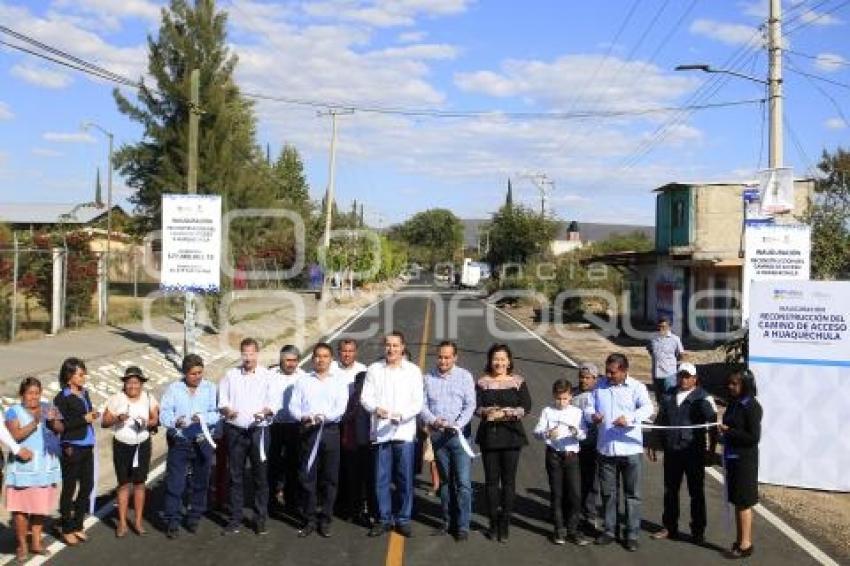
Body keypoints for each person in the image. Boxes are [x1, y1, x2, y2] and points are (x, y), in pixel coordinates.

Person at [585, 352, 653, 552]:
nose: (608, 375)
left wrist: (630, 418)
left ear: (624, 371)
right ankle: (609, 530)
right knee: (608, 493)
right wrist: (593, 417)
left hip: (630, 448)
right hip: (606, 448)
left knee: (632, 494)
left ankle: (631, 533)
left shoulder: (637, 387)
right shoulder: (599, 386)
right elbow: (589, 408)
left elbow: (648, 408)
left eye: (612, 372)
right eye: (607, 371)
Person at [361, 331, 424, 538]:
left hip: (404, 432)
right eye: (388, 345)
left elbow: (418, 402)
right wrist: (375, 408)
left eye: (395, 345)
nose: (391, 349)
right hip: (381, 432)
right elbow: (365, 397)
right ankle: (384, 519)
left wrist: (402, 415)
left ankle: (403, 519)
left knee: (404, 478)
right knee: (381, 478)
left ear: (403, 347)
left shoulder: (413, 371)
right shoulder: (374, 369)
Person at [648, 362, 717, 545]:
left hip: (693, 452)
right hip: (672, 452)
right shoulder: (669, 395)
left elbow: (712, 425)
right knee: (670, 491)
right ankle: (669, 527)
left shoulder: (703, 398)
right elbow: (660, 420)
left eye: (687, 376)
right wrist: (654, 443)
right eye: (681, 375)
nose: (683, 379)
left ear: (695, 379)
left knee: (696, 493)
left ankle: (698, 531)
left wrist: (711, 451)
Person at [288, 343, 349, 538]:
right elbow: (293, 406)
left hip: (330, 432)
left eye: (325, 356)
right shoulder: (303, 381)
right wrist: (303, 417)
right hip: (308, 432)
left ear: (331, 359)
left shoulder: (339, 381)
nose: (320, 360)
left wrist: (324, 417)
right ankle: (310, 519)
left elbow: (340, 408)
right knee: (307, 477)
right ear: (313, 358)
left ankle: (326, 519)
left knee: (329, 478)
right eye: (317, 356)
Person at [475, 343, 532, 543]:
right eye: (495, 359)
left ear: (509, 361)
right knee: (491, 482)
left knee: (508, 482)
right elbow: (476, 407)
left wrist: (507, 413)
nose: (499, 362)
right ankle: (492, 523)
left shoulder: (518, 381)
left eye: (502, 359)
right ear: (490, 361)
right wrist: (487, 412)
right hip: (489, 436)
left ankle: (505, 523)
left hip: (512, 436)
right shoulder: (482, 382)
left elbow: (526, 406)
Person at [420, 341, 476, 541]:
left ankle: (462, 526)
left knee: (463, 482)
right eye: (440, 357)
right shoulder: (427, 378)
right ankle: (447, 520)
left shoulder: (465, 377)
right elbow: (422, 405)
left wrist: (457, 425)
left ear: (455, 357)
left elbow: (470, 405)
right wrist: (434, 420)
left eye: (447, 357)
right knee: (444, 482)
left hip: (459, 437)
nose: (443, 361)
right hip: (439, 437)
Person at [159, 353, 220, 538]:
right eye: (193, 374)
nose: (197, 377)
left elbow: (217, 413)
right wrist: (174, 421)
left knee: (201, 481)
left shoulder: (210, 388)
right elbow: (164, 414)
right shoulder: (174, 389)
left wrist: (202, 418)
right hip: (180, 442)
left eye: (200, 373)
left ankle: (194, 516)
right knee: (175, 482)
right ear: (185, 373)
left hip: (202, 441)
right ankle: (173, 521)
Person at [219, 337, 274, 535]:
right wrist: (227, 411)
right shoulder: (230, 375)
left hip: (259, 431)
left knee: (260, 477)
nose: (248, 358)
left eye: (251, 354)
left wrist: (266, 411)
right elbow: (222, 401)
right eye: (245, 354)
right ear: (240, 354)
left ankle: (260, 520)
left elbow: (273, 402)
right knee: (235, 477)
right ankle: (234, 519)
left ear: (257, 354)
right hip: (235, 432)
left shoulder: (268, 376)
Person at [5, 377, 62, 561]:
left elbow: (61, 428)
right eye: (30, 393)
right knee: (20, 509)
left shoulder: (47, 407)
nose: (34, 397)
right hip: (22, 468)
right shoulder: (13, 411)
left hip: (44, 467)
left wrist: (54, 422)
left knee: (39, 507)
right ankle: (22, 545)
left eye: (37, 393)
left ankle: (36, 542)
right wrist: (34, 422)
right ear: (22, 394)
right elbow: (14, 435)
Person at [102, 366, 160, 538]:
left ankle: (138, 521)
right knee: (123, 484)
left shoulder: (149, 398)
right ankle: (121, 522)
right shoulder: (116, 399)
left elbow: (155, 419)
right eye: (129, 382)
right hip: (122, 445)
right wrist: (117, 418)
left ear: (141, 383)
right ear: (124, 383)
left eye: (136, 382)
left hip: (142, 445)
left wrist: (146, 423)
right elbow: (104, 422)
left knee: (140, 483)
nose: (132, 386)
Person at [533, 379, 591, 547]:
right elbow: (536, 432)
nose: (561, 402)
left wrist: (576, 432)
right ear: (554, 396)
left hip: (571, 456)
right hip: (554, 456)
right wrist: (547, 433)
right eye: (558, 398)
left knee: (575, 494)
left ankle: (572, 529)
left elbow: (584, 435)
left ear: (570, 397)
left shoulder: (576, 413)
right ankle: (559, 530)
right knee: (557, 494)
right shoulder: (547, 411)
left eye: (565, 398)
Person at [53, 357, 99, 546]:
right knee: (70, 488)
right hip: (71, 447)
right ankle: (66, 527)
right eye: (80, 374)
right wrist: (84, 419)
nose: (83, 377)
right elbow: (59, 426)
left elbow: (84, 417)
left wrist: (92, 415)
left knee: (87, 486)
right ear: (69, 376)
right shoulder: (61, 397)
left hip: (87, 445)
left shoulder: (84, 393)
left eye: (84, 373)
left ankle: (78, 524)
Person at [718, 369, 762, 559]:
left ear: (745, 385)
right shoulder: (734, 403)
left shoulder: (751, 406)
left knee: (744, 501)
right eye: (730, 383)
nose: (731, 387)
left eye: (735, 384)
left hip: (745, 460)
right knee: (736, 500)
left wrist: (729, 431)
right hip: (732, 457)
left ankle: (746, 543)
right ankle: (739, 540)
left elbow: (754, 437)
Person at [330, 339, 367, 518]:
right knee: (335, 466)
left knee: (354, 466)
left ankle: (355, 504)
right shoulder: (331, 369)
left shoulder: (363, 370)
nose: (347, 354)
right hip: (334, 423)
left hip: (354, 426)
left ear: (356, 352)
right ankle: (337, 502)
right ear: (339, 352)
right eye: (344, 351)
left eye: (350, 351)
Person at [267, 345, 306, 514]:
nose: (291, 364)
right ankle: (271, 499)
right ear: (281, 360)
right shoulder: (270, 376)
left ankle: (291, 501)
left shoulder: (304, 377)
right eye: (287, 360)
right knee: (272, 464)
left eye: (294, 360)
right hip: (274, 426)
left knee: (294, 464)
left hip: (295, 427)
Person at [341, 370, 375, 526]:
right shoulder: (351, 399)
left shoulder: (373, 401)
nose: (361, 387)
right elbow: (344, 418)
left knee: (369, 481)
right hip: (353, 446)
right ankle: (354, 510)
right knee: (353, 480)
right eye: (359, 384)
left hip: (368, 446)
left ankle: (368, 510)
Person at [572, 362, 600, 533]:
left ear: (595, 378)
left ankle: (589, 515)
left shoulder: (601, 394)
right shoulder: (572, 393)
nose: (584, 380)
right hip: (574, 444)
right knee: (574, 481)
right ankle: (571, 512)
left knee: (591, 481)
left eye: (588, 377)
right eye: (581, 377)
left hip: (593, 444)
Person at [647, 317, 685, 403]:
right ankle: (661, 415)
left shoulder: (675, 339)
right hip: (656, 373)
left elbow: (681, 354)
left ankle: (670, 415)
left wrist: (673, 364)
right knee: (658, 398)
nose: (661, 329)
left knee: (669, 398)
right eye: (659, 326)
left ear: (669, 327)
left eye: (664, 327)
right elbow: (650, 350)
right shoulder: (653, 338)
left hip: (669, 374)